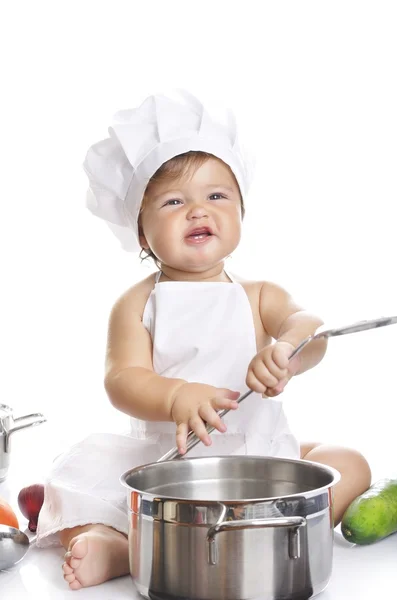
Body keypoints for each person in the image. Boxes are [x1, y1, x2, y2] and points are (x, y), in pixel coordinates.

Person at [36, 90, 371, 591]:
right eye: (174, 201)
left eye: (217, 196)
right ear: (143, 235)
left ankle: (228, 537)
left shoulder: (259, 295)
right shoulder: (138, 302)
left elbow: (311, 326)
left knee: (349, 462)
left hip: (261, 462)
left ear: (240, 211)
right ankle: (129, 547)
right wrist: (175, 396)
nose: (198, 210)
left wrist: (288, 351)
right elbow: (122, 379)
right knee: (64, 490)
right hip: (171, 472)